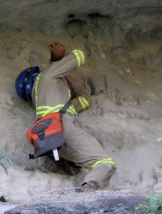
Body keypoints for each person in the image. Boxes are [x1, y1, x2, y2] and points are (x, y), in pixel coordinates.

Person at [31, 40, 115, 190]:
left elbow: (84, 100)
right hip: (62, 128)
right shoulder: (46, 75)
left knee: (82, 166)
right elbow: (79, 56)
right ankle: (88, 191)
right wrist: (62, 55)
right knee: (105, 162)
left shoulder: (53, 102)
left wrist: (68, 76)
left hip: (50, 136)